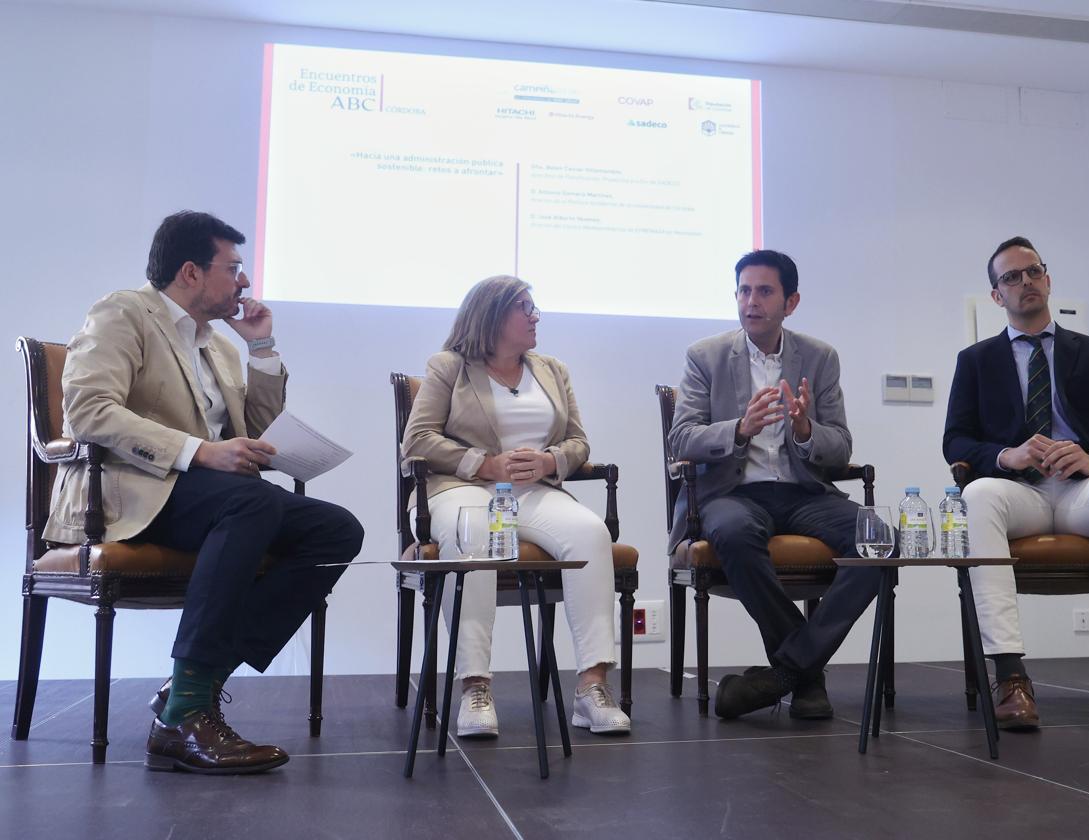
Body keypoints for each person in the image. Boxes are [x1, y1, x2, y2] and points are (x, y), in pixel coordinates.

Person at [46, 211, 364, 773]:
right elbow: (89, 412)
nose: (244, 282)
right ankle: (186, 716)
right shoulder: (123, 313)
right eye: (233, 268)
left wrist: (262, 349)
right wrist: (200, 453)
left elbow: (259, 430)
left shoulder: (215, 343)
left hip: (215, 498)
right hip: (135, 493)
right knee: (254, 500)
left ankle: (190, 689)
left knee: (337, 530)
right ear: (190, 272)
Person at [944, 236, 1089, 730]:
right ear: (996, 295)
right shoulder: (975, 360)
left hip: (1082, 490)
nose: (1026, 282)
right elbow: (955, 440)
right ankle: (1011, 677)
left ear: (1048, 279)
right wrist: (1007, 454)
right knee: (975, 495)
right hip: (1018, 490)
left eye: (1033, 272)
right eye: (1011, 277)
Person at [402, 275, 630, 738]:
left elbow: (578, 442)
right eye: (524, 308)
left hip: (532, 492)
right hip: (459, 489)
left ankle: (592, 687)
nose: (534, 316)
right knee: (476, 532)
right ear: (491, 315)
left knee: (592, 534)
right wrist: (485, 465)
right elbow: (418, 440)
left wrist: (551, 459)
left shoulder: (551, 369)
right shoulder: (449, 367)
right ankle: (474, 687)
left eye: (534, 308)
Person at [667, 249, 882, 720]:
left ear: (792, 301)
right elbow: (681, 437)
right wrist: (739, 429)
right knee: (735, 533)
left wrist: (806, 432)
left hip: (803, 492)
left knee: (880, 541)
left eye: (764, 291)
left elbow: (840, 445)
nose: (751, 301)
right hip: (732, 493)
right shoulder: (705, 357)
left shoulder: (819, 358)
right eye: (744, 290)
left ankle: (786, 670)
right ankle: (806, 675)